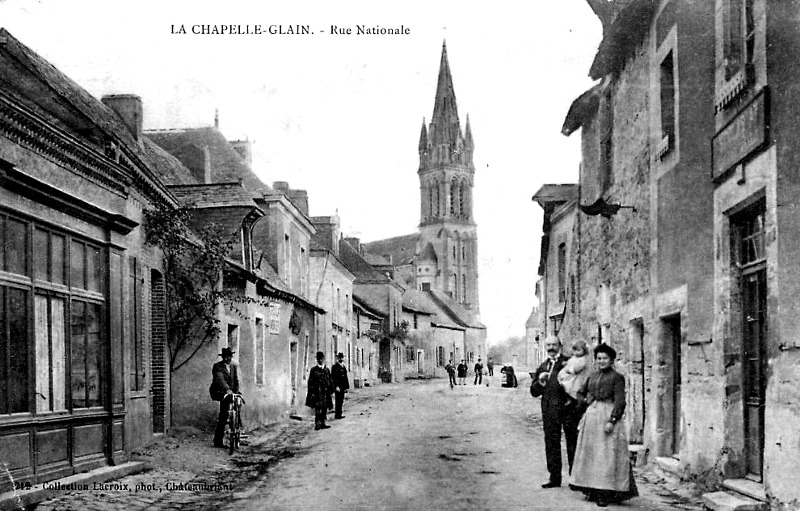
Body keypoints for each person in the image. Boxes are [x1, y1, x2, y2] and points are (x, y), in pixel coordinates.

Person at [569, 343, 638, 507]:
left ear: (611, 360)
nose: (601, 361)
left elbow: (620, 402)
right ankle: (592, 489)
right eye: (599, 358)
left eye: (605, 358)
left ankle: (605, 493)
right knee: (592, 453)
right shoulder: (592, 376)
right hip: (592, 417)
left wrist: (612, 420)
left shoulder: (617, 377)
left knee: (605, 456)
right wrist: (585, 401)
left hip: (607, 415)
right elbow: (580, 392)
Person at [529, 335, 581, 488]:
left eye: (554, 344)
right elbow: (533, 392)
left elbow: (579, 384)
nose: (551, 348)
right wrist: (540, 382)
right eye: (548, 345)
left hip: (568, 409)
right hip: (549, 411)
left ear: (560, 346)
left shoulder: (568, 363)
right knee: (551, 443)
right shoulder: (542, 367)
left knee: (572, 442)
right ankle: (554, 477)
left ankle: (575, 479)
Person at [210, 347, 240, 448]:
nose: (228, 358)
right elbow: (220, 379)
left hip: (231, 392)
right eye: (226, 357)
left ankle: (236, 427)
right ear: (223, 357)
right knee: (223, 416)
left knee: (237, 405)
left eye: (229, 356)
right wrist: (227, 389)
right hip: (221, 392)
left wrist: (236, 391)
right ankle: (218, 441)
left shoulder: (232, 367)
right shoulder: (217, 366)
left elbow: (235, 380)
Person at [305, 351, 333, 430]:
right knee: (318, 408)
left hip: (325, 392)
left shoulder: (326, 370)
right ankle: (317, 423)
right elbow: (310, 382)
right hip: (317, 392)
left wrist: (331, 390)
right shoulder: (314, 370)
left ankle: (323, 422)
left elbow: (330, 380)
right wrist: (312, 392)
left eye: (321, 359)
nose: (320, 360)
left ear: (324, 359)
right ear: (317, 360)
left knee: (325, 407)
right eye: (319, 359)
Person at [558, 340, 592, 405]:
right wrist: (566, 363)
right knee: (565, 386)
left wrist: (570, 370)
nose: (576, 353)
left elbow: (578, 368)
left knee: (573, 388)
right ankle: (568, 398)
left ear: (584, 351)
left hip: (578, 377)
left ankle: (573, 400)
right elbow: (570, 362)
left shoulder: (583, 359)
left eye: (579, 350)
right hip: (572, 376)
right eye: (575, 351)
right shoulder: (574, 357)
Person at [331, 352, 350, 419]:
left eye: (342, 357)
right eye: (339, 357)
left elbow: (345, 377)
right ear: (337, 358)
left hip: (343, 386)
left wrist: (347, 387)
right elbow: (333, 378)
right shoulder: (335, 367)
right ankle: (337, 414)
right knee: (338, 400)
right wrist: (336, 386)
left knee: (341, 400)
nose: (341, 359)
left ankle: (340, 413)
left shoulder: (343, 367)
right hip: (338, 387)